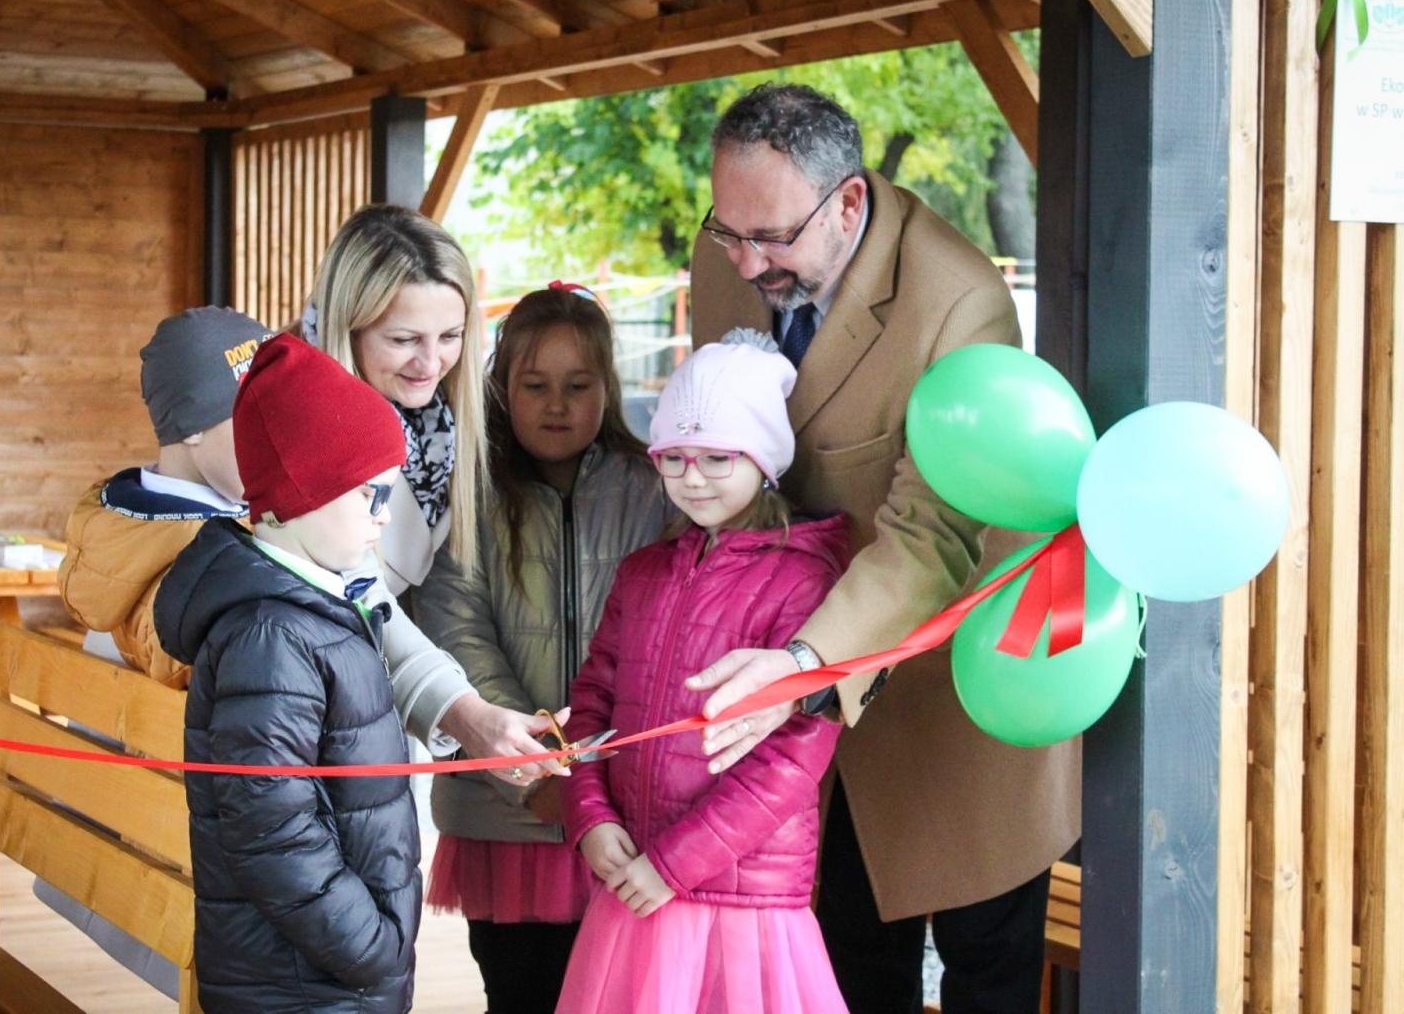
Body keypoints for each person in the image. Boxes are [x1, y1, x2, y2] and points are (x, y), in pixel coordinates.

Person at [684, 83, 1078, 1013]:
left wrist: (802, 661)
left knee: (987, 968)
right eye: (727, 230)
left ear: (849, 201)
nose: (745, 262)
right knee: (850, 968)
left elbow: (931, 533)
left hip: (957, 684)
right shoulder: (729, 260)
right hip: (803, 706)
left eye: (771, 238)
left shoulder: (959, 299)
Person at [555, 332, 850, 1014]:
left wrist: (672, 865)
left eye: (718, 457)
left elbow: (791, 761)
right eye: (675, 458)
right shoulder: (643, 571)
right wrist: (590, 817)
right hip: (635, 889)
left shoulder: (804, 582)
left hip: (740, 904)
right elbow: (593, 705)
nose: (693, 477)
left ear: (766, 462)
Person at [416, 285, 668, 1013]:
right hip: (509, 819)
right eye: (535, 386)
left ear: (607, 388)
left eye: (577, 386)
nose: (556, 405)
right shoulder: (471, 489)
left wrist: (597, 785)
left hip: (622, 813)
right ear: (501, 387)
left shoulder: (654, 487)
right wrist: (533, 773)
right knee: (521, 993)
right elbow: (454, 629)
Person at [154, 334, 421, 1013]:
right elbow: (271, 829)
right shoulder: (271, 633)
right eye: (369, 496)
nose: (383, 517)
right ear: (301, 494)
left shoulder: (309, 607)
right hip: (305, 979)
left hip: (325, 970)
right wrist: (373, 946)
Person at [302, 206, 564, 783]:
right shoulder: (302, 424)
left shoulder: (441, 426)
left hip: (343, 715)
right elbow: (357, 596)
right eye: (403, 340)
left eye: (450, 337)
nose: (431, 363)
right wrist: (469, 715)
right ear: (348, 327)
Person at [59, 306, 273, 689]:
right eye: (257, 419)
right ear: (192, 426)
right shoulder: (200, 564)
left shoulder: (127, 536)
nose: (279, 440)